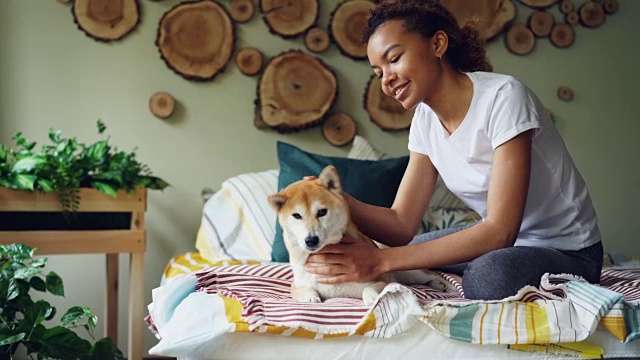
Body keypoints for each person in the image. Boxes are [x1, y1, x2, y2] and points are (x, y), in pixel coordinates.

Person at [305, 0, 603, 300]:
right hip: (509, 246)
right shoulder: (424, 120)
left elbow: (501, 230)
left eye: (394, 59)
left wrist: (381, 261)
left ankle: (481, 265)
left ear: (437, 43)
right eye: (378, 72)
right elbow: (400, 224)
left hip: (569, 251)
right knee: (405, 254)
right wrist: (335, 198)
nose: (387, 80)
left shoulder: (505, 98)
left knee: (486, 277)